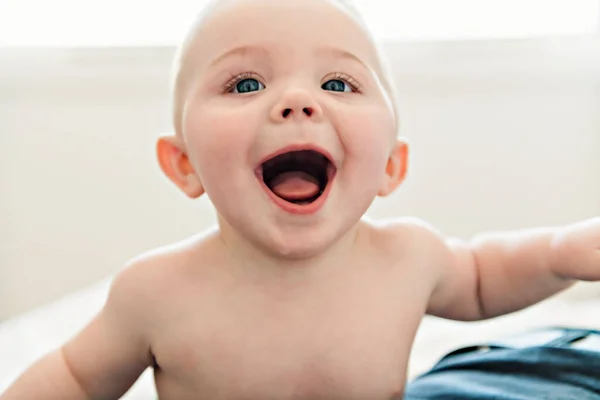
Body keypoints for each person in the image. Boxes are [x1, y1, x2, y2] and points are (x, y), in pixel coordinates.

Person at [2, 0, 599, 399]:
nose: (296, 101)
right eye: (245, 84)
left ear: (391, 165)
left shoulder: (407, 259)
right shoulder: (157, 292)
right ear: (184, 164)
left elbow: (482, 276)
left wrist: (561, 252)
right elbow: (75, 379)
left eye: (337, 83)